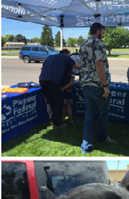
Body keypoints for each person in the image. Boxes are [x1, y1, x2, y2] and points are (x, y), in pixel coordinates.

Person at [79, 22, 117, 154]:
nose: (103, 35)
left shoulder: (83, 45)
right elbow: (99, 64)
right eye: (103, 32)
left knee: (89, 114)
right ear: (98, 31)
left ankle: (86, 144)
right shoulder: (99, 44)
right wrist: (105, 86)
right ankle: (102, 137)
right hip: (97, 85)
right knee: (103, 113)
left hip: (85, 85)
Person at [39, 48, 80, 129]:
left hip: (42, 79)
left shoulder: (50, 57)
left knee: (49, 101)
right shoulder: (65, 57)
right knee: (58, 102)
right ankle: (57, 124)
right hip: (53, 80)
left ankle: (51, 120)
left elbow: (42, 69)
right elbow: (78, 67)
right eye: (69, 55)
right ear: (66, 53)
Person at [60, 50, 76, 124]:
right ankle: (70, 120)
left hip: (61, 90)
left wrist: (62, 88)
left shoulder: (61, 71)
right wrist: (65, 88)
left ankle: (63, 119)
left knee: (63, 106)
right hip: (68, 90)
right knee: (69, 106)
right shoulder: (72, 73)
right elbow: (71, 83)